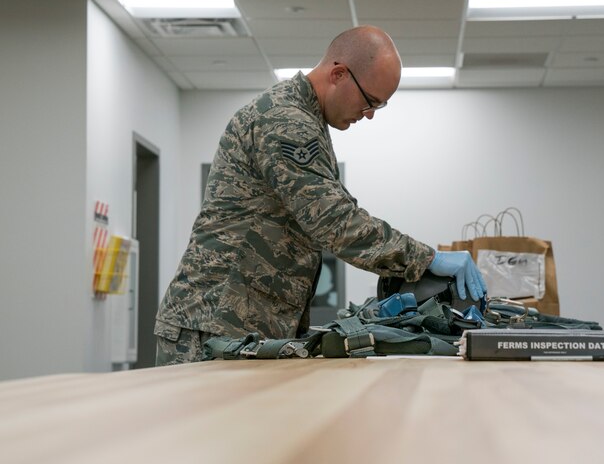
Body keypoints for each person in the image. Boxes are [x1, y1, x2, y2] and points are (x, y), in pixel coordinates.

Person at [154, 25, 487, 365]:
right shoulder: (285, 120)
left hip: (246, 325)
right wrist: (427, 258)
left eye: (380, 105)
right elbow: (334, 220)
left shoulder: (307, 121)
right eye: (370, 100)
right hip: (214, 324)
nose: (370, 113)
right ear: (339, 74)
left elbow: (337, 212)